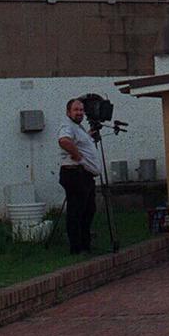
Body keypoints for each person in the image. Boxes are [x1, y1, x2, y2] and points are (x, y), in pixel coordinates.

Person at [57, 98, 101, 254]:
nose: (79, 113)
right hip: (75, 174)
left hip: (84, 175)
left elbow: (77, 140)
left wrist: (88, 136)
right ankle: (77, 248)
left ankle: (85, 244)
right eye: (76, 110)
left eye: (81, 110)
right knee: (77, 211)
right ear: (68, 112)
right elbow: (64, 141)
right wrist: (78, 156)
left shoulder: (78, 127)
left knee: (88, 210)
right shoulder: (67, 126)